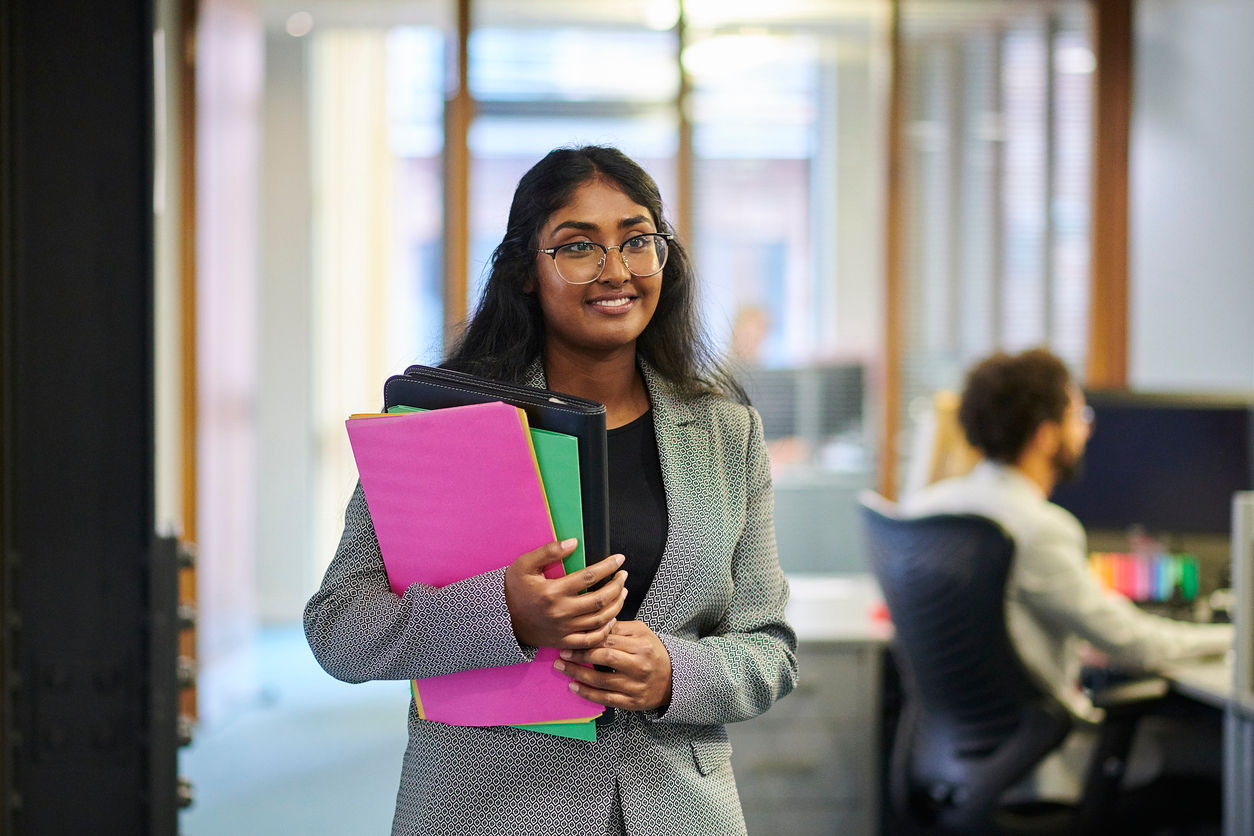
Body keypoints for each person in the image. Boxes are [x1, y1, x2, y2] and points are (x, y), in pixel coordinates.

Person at [304, 145, 798, 836]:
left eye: (636, 240)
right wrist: (505, 615)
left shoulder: (727, 433)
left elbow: (769, 647)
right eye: (577, 247)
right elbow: (338, 629)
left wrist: (673, 672)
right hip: (488, 809)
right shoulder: (443, 429)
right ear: (526, 273)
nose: (616, 270)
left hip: (678, 811)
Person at [900, 347, 1233, 802]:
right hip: (1040, 765)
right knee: (1208, 761)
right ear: (1045, 435)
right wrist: (1233, 637)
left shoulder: (928, 508)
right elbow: (1138, 644)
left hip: (953, 759)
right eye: (1079, 416)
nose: (1088, 429)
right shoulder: (1041, 529)